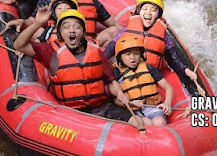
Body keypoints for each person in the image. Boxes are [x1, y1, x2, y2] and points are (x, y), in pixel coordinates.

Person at [13, 8, 144, 128]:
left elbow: (110, 80)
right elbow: (19, 45)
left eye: (77, 27)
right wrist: (37, 23)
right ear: (60, 32)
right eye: (66, 27)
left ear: (83, 32)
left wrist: (120, 94)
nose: (72, 30)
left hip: (102, 108)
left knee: (137, 121)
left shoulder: (96, 51)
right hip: (70, 113)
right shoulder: (49, 51)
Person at [105, 0, 198, 81]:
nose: (148, 13)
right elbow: (110, 49)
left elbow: (173, 59)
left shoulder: (164, 36)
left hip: (148, 76)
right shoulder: (126, 31)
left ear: (158, 15)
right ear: (138, 11)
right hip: (125, 74)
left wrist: (186, 71)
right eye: (144, 9)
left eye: (153, 10)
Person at [113, 35, 173, 126]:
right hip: (133, 112)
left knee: (159, 122)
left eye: (136, 54)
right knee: (147, 123)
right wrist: (131, 103)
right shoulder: (117, 73)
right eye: (128, 54)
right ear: (120, 57)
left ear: (141, 54)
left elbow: (168, 87)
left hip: (152, 107)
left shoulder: (149, 68)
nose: (132, 57)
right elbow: (115, 99)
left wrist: (167, 103)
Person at [7, 0, 78, 45]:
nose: (63, 11)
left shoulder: (77, 30)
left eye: (67, 9)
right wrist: (37, 23)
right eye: (60, 8)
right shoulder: (51, 29)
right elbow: (36, 42)